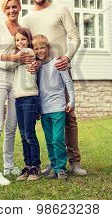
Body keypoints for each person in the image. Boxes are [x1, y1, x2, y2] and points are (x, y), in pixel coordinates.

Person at [21, 0, 87, 176]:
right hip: (40, 74)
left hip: (60, 68)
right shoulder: (26, 18)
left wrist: (67, 57)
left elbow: (75, 37)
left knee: (68, 116)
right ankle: (53, 162)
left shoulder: (60, 10)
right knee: (47, 118)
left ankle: (74, 162)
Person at [0, 0, 36, 186]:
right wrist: (13, 59)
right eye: (8, 7)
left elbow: (31, 51)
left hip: (17, 80)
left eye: (15, 7)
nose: (12, 10)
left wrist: (35, 64)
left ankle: (8, 166)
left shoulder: (23, 29)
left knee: (12, 126)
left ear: (19, 8)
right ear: (4, 9)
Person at [33, 34, 74, 179]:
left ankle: (61, 168)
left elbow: (68, 82)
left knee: (58, 139)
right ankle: (54, 166)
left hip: (58, 108)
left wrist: (72, 101)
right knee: (50, 140)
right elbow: (37, 88)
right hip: (44, 110)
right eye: (36, 49)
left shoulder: (57, 63)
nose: (39, 51)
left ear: (48, 48)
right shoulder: (37, 68)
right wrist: (37, 109)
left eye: (42, 48)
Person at [11, 28, 42, 182]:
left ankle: (35, 166)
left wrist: (5, 56)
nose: (20, 43)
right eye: (17, 40)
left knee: (29, 134)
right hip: (19, 98)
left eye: (23, 39)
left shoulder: (28, 52)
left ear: (29, 41)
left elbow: (7, 62)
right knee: (23, 135)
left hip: (30, 98)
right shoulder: (17, 57)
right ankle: (28, 166)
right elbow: (7, 65)